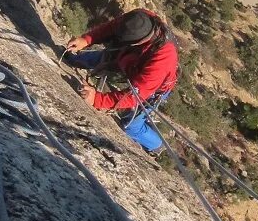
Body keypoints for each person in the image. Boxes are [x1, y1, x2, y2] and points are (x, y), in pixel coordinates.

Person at [64, 8, 179, 152]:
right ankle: (77, 60)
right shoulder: (139, 19)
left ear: (138, 42)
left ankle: (156, 146)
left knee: (130, 126)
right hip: (131, 56)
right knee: (106, 57)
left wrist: (97, 100)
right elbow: (111, 27)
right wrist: (86, 40)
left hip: (154, 87)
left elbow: (135, 95)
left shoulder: (163, 58)